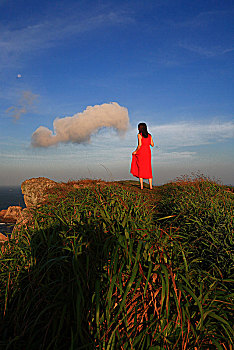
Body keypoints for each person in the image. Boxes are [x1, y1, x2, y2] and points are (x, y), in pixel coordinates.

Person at [130, 123, 154, 190]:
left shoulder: (139, 135)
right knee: (148, 167)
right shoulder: (150, 135)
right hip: (148, 152)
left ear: (140, 128)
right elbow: (152, 144)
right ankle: (151, 186)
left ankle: (141, 186)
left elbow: (139, 145)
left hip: (141, 152)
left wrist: (135, 151)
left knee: (141, 167)